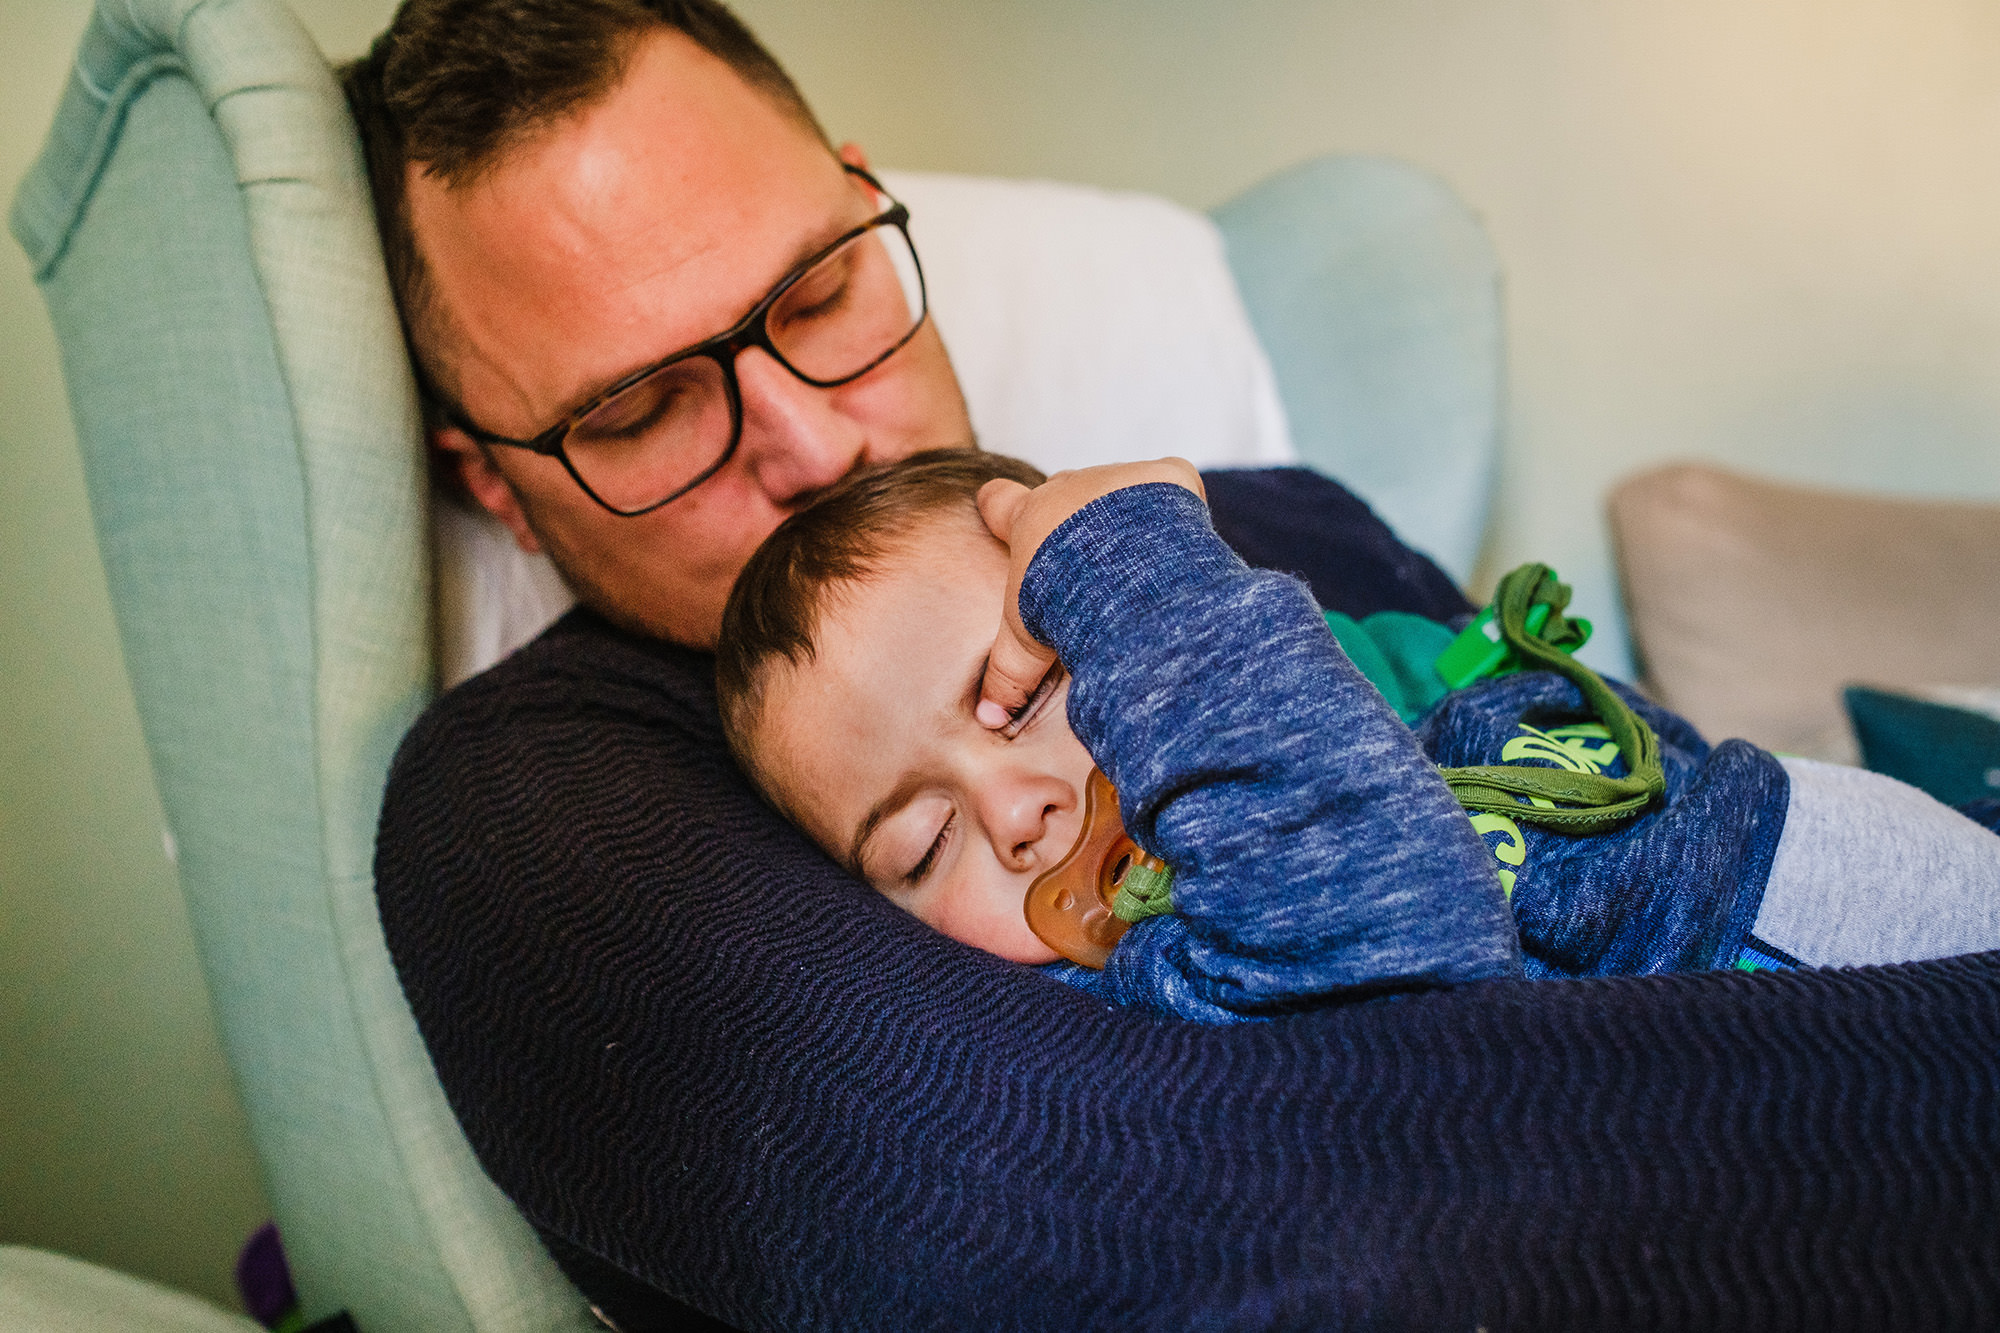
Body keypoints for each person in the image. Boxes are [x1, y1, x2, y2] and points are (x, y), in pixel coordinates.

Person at [355, 2, 2000, 1326]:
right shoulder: (537, 802)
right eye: (639, 410)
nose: (808, 441)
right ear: (495, 481)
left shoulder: (1275, 513)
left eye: (820, 288)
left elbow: (1624, 798)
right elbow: (1287, 1223)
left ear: (867, 203)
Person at [715, 451, 2000, 1021]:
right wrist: (1130, 572)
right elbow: (1373, 921)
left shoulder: (1370, 699)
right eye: (923, 842)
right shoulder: (1179, 973)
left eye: (1022, 695)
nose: (1012, 811)